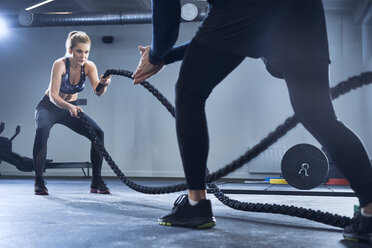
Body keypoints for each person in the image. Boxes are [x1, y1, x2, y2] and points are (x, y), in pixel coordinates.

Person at [132, 0, 372, 243]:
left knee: (189, 94)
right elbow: (223, 37)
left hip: (244, 6)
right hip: (303, 10)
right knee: (319, 115)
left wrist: (155, 55)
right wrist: (165, 57)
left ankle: (196, 204)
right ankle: (370, 211)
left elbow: (170, 22)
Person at [33, 31, 112, 195]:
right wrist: (69, 107)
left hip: (71, 108)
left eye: (86, 52)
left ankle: (96, 181)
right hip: (49, 107)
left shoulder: (89, 66)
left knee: (98, 133)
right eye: (79, 51)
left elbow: (98, 92)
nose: (83, 56)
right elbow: (54, 95)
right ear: (70, 50)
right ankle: (39, 182)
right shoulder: (60, 64)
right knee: (42, 131)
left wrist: (104, 84)